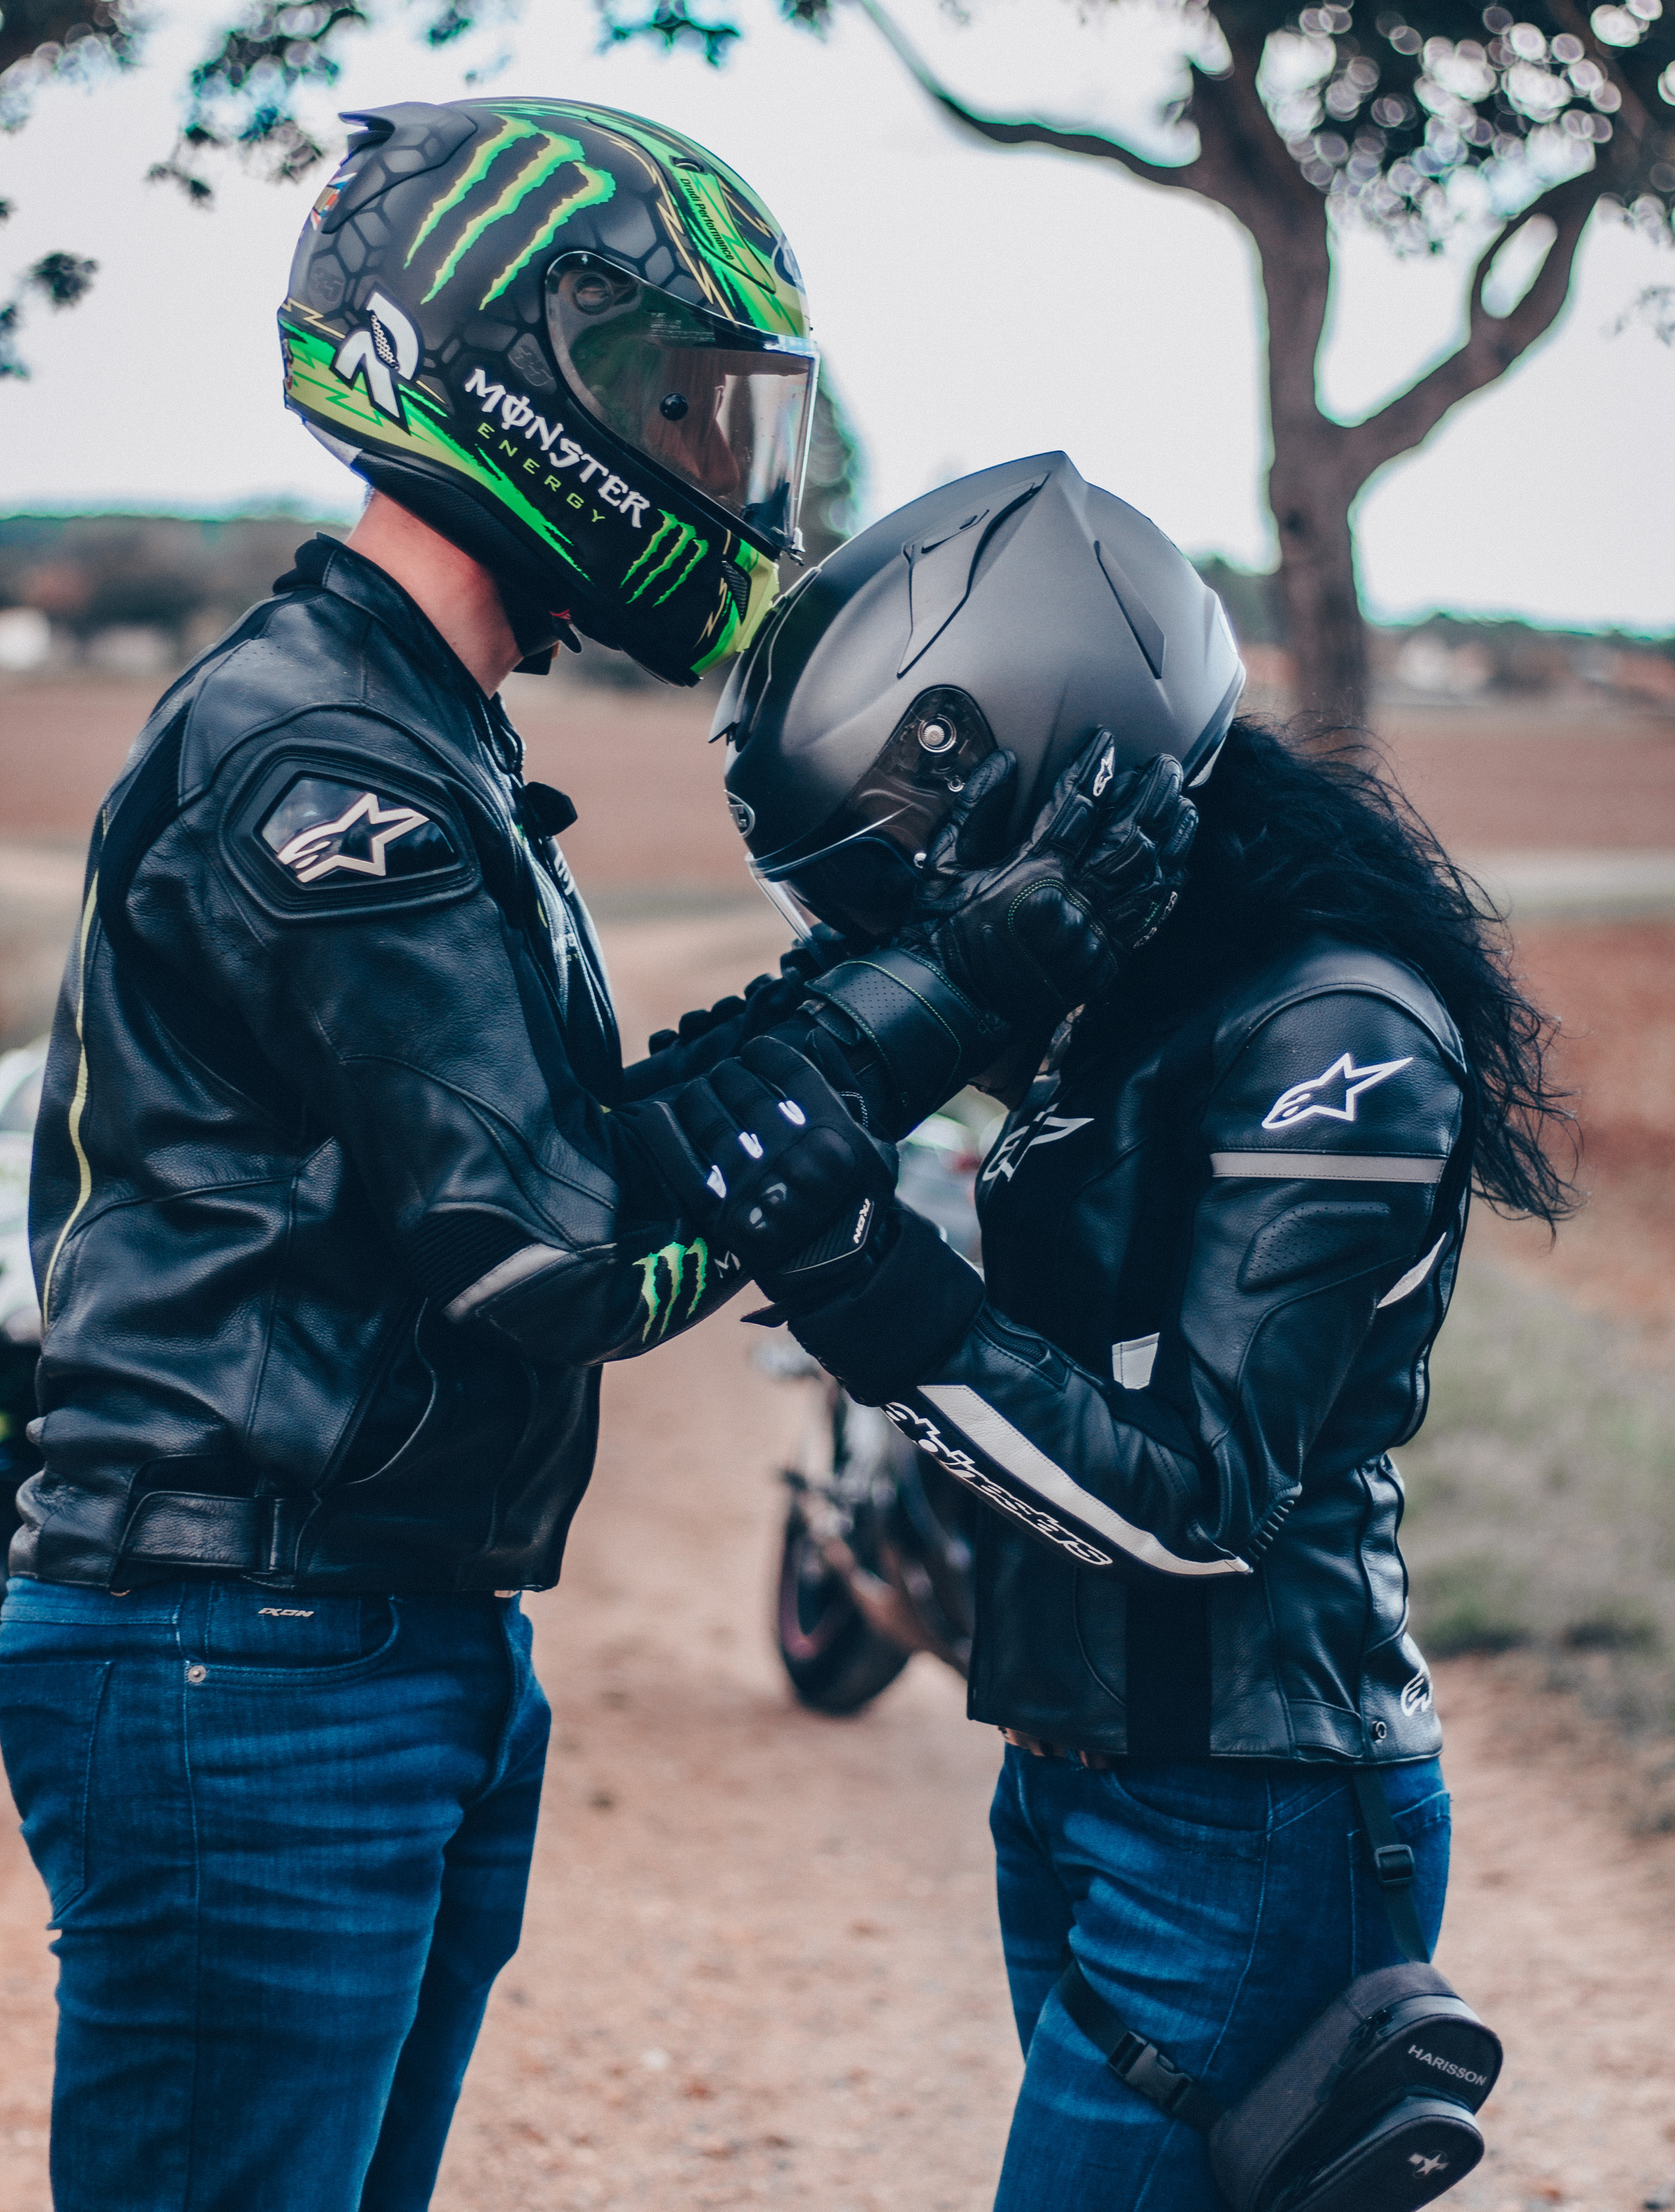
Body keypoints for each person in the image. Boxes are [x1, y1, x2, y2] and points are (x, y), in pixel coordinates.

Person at [0, 107, 1197, 2212]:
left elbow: (586, 1145)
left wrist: (939, 977)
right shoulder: (324, 769)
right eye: (681, 407)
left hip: (366, 1638)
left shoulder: (416, 735)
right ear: (521, 373)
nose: (721, 468)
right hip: (253, 1661)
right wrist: (948, 1000)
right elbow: (567, 1254)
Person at [697, 451, 1572, 2212]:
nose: (890, 931)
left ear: (1031, 764)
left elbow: (1201, 1495)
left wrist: (873, 1282)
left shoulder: (1333, 1033)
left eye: (894, 883)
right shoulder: (1123, 1002)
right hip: (1091, 1781)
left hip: (1254, 1817)